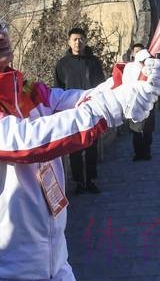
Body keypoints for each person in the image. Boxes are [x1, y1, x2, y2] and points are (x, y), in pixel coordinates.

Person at [0, 4, 160, 280]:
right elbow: (25, 141)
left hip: (52, 261)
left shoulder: (24, 91)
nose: (0, 34)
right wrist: (112, 107)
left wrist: (130, 79)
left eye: (0, 26)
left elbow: (75, 102)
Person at [54, 27, 107, 194]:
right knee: (74, 149)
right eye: (75, 39)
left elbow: (101, 85)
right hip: (72, 111)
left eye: (81, 39)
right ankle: (78, 182)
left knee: (91, 147)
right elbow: (58, 89)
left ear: (85, 40)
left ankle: (90, 180)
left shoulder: (94, 62)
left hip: (92, 110)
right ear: (69, 42)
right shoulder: (62, 64)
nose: (78, 42)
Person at [125, 43, 157, 161]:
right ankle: (138, 153)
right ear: (133, 54)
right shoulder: (129, 67)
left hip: (148, 102)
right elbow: (126, 83)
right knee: (136, 130)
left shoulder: (151, 67)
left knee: (148, 129)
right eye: (136, 51)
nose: (138, 53)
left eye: (140, 51)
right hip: (134, 102)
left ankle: (147, 152)